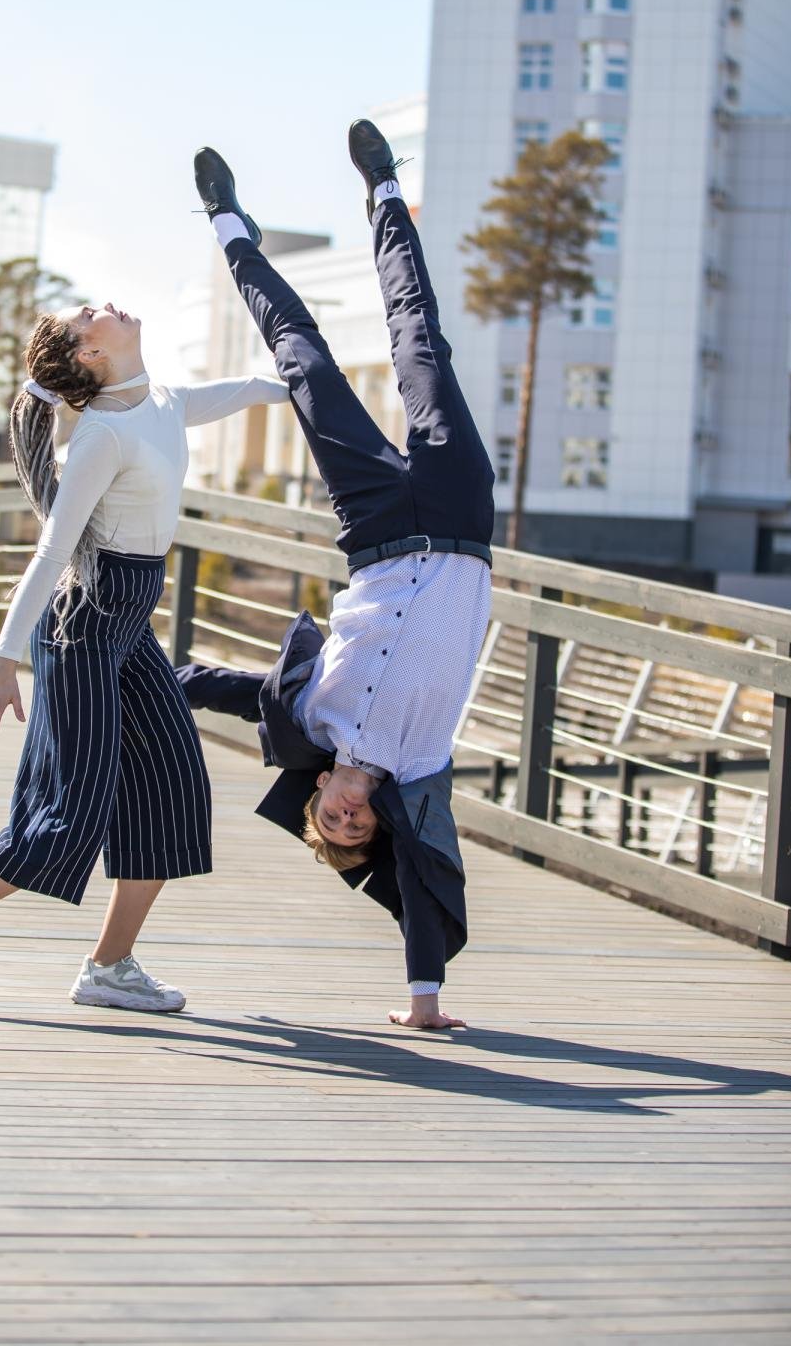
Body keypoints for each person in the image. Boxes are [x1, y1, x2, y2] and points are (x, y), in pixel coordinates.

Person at [0, 299, 289, 1015]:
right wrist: (3, 663)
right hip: (83, 623)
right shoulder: (100, 438)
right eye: (88, 316)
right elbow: (53, 551)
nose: (107, 306)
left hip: (128, 623)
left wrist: (312, 381)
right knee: (68, 814)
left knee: (173, 790)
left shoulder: (162, 402)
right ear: (90, 354)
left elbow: (249, 389)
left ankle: (110, 967)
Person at [178, 122, 495, 1029]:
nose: (351, 817)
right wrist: (424, 1005)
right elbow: (426, 890)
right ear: (377, 821)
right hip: (461, 518)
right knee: (419, 344)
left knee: (303, 361)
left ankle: (229, 225)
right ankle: (388, 193)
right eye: (362, 831)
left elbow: (216, 685)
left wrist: (119, 675)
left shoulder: (307, 718)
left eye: (335, 822)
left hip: (380, 533)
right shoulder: (420, 765)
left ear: (317, 796)